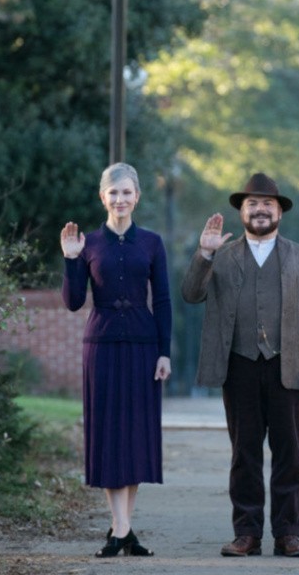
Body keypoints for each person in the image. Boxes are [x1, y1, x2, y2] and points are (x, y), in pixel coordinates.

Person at [181, 172, 299, 558]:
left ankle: (288, 534)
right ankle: (247, 534)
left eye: (267, 204)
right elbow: (191, 293)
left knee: (290, 453)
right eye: (252, 204)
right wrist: (204, 254)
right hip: (239, 365)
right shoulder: (221, 255)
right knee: (244, 453)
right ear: (241, 211)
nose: (260, 210)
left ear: (279, 212)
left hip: (290, 364)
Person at [61, 162, 172, 558]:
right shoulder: (88, 244)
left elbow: (163, 300)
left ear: (137, 197)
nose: (120, 199)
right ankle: (122, 527)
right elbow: (73, 302)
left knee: (136, 434)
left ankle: (121, 528)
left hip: (143, 347)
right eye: (113, 193)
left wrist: (164, 352)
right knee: (109, 434)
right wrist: (71, 260)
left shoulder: (153, 243)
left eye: (127, 192)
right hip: (102, 346)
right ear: (102, 197)